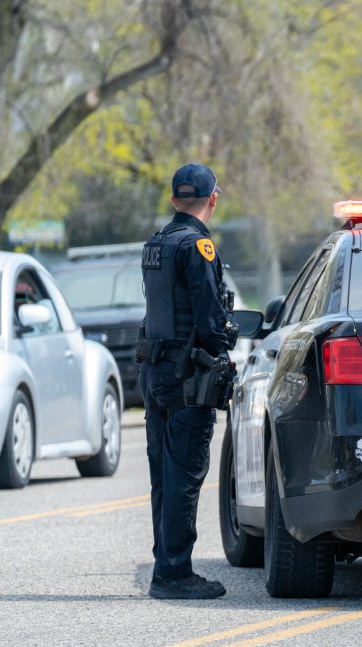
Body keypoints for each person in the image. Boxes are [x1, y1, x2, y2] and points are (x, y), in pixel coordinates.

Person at [138, 163, 231, 599]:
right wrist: (225, 353)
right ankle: (174, 574)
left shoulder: (156, 244)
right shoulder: (198, 247)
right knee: (184, 474)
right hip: (185, 377)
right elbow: (210, 320)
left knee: (163, 473)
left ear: (175, 199)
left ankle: (165, 563)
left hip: (155, 372)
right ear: (213, 198)